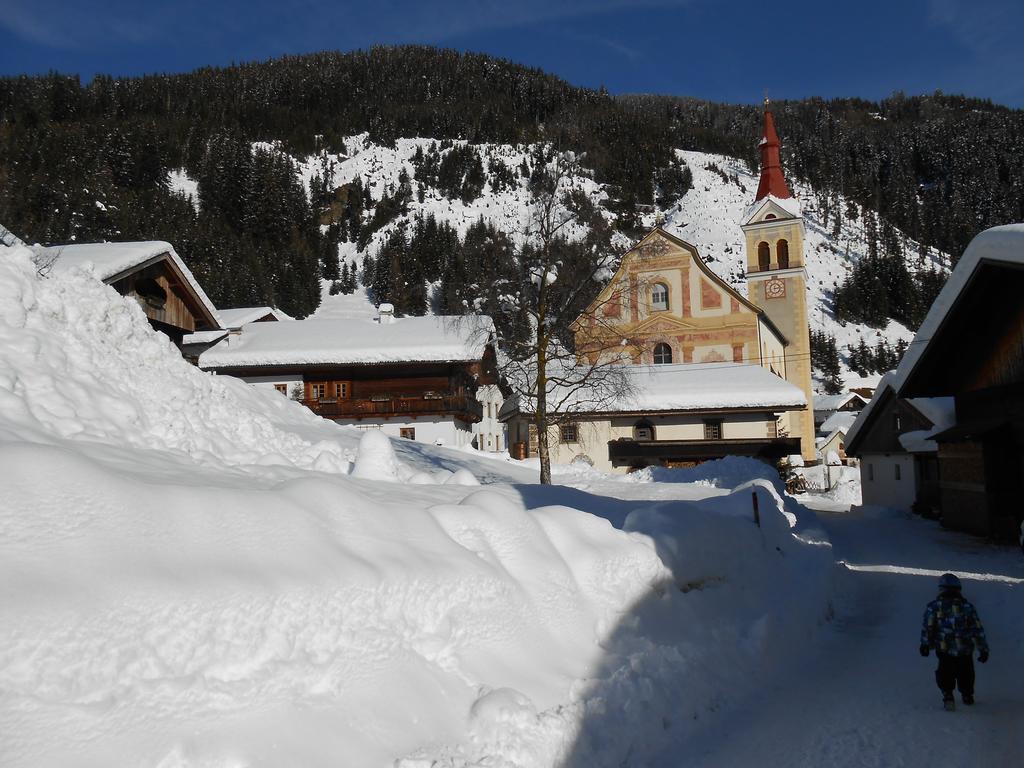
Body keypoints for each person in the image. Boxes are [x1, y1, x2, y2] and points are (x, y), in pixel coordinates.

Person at [919, 573, 989, 711]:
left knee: (945, 671)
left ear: (941, 589)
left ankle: (948, 694)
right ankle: (967, 693)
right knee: (966, 671)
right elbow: (976, 628)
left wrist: (925, 643)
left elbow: (928, 626)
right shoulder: (967, 607)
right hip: (965, 647)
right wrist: (982, 648)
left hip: (944, 647)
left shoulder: (934, 607)